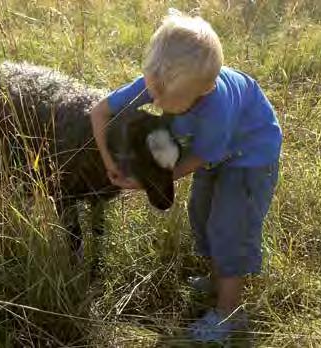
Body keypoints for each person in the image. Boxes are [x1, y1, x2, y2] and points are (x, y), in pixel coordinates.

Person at [90, 8, 282, 343]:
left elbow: (196, 159)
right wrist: (109, 162)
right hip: (216, 154)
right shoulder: (161, 79)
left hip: (250, 157)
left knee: (230, 227)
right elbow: (100, 110)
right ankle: (218, 276)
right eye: (153, 93)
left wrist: (146, 183)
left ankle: (229, 313)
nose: (157, 101)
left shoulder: (216, 107)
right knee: (202, 212)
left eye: (169, 101)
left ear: (203, 92)